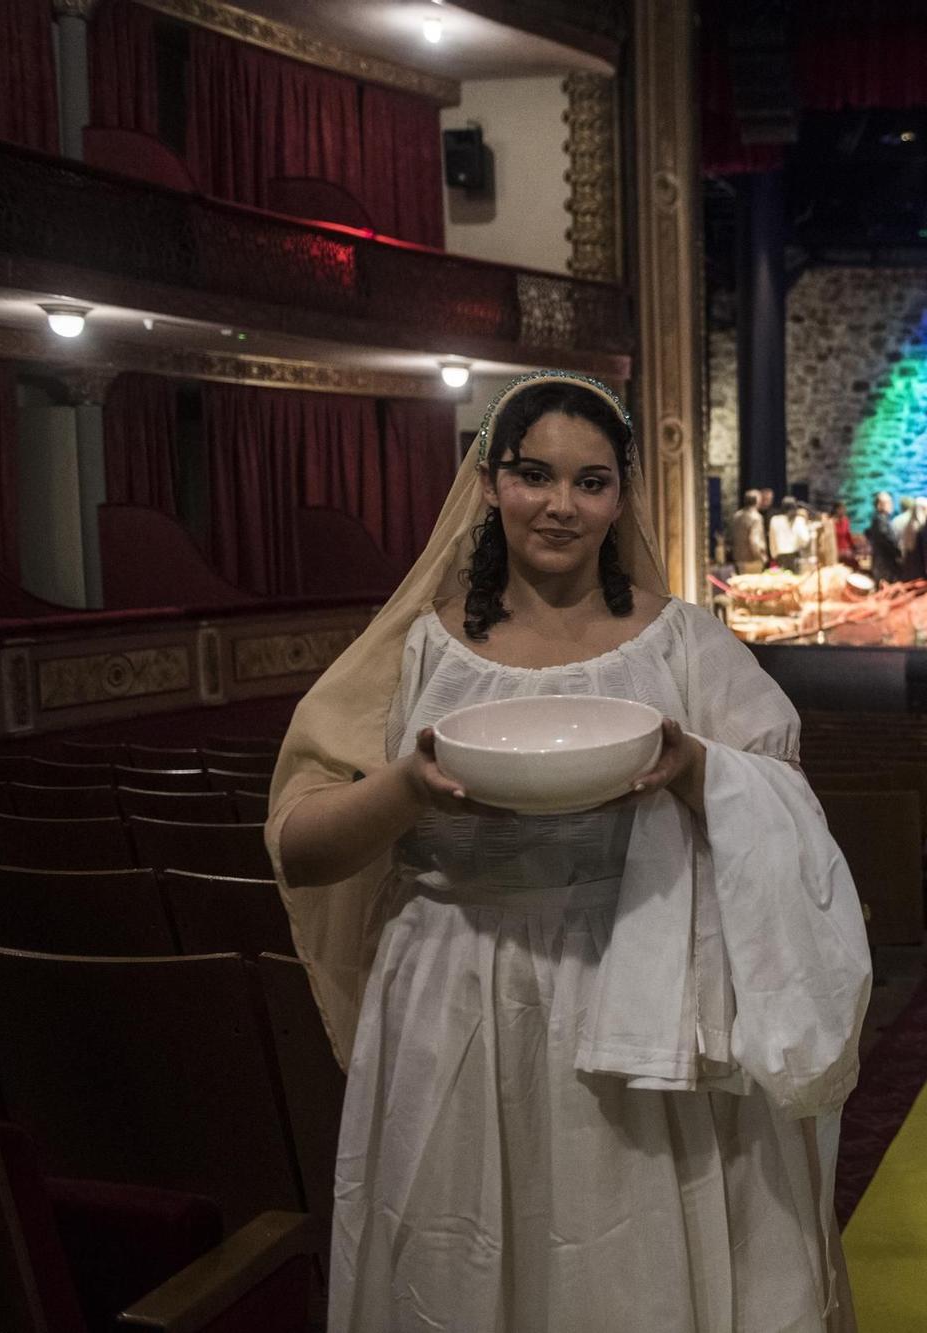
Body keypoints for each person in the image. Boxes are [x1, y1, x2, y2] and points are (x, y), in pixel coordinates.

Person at [268, 372, 870, 1331]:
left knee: (625, 1265)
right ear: (489, 484)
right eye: (534, 475)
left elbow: (788, 807)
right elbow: (300, 847)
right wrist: (409, 786)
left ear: (622, 496)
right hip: (452, 991)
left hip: (635, 990)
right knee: (460, 1256)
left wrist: (690, 767)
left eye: (591, 481)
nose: (560, 504)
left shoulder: (684, 647)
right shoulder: (417, 651)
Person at [726, 490, 767, 574]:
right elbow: (754, 541)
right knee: (753, 585)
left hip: (738, 558)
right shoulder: (756, 517)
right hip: (752, 559)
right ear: (757, 501)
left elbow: (731, 536)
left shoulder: (737, 516)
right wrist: (760, 556)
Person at [866, 491, 901, 583]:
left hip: (881, 563)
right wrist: (899, 552)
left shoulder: (879, 518)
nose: (891, 505)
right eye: (888, 503)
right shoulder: (881, 520)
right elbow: (888, 539)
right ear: (879, 505)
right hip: (884, 565)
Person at [767, 496, 804, 571]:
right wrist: (798, 546)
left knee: (782, 580)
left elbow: (772, 539)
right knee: (796, 581)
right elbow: (804, 538)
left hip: (780, 555)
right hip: (794, 554)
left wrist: (774, 554)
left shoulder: (775, 520)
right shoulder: (798, 520)